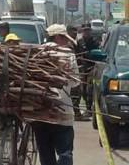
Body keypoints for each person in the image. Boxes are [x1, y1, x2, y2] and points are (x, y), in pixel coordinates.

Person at [32, 24, 80, 165]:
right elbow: (75, 81)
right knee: (65, 153)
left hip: (40, 111)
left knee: (46, 154)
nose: (67, 41)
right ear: (58, 37)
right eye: (64, 38)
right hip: (62, 111)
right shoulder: (67, 54)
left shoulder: (37, 53)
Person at [66, 25, 88, 121]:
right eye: (72, 31)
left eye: (76, 31)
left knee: (77, 92)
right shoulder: (69, 44)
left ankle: (76, 112)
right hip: (72, 71)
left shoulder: (77, 42)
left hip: (78, 70)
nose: (75, 33)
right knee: (75, 92)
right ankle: (76, 113)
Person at [79, 23, 99, 117]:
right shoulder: (79, 42)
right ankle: (88, 108)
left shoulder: (94, 42)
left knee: (89, 89)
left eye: (88, 30)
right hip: (82, 69)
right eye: (85, 31)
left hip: (92, 67)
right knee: (82, 89)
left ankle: (90, 108)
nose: (86, 32)